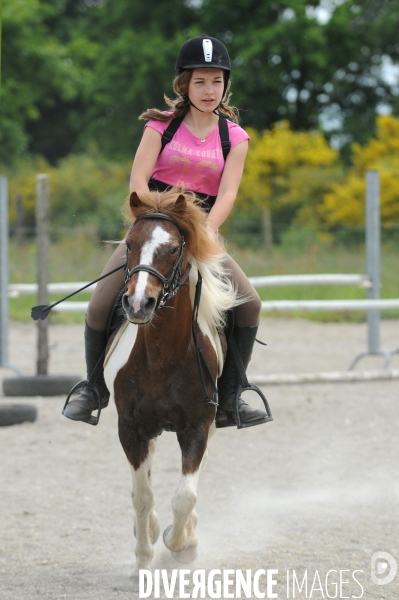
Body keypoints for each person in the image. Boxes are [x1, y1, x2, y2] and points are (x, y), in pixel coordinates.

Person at [63, 34, 268, 428]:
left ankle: (231, 394)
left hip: (201, 231)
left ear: (226, 83)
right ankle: (93, 388)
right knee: (100, 305)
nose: (209, 90)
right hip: (153, 229)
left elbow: (227, 193)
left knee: (250, 304)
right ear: (184, 85)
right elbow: (138, 180)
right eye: (200, 82)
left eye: (216, 81)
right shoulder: (161, 127)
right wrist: (155, 221)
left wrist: (203, 231)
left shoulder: (235, 138)